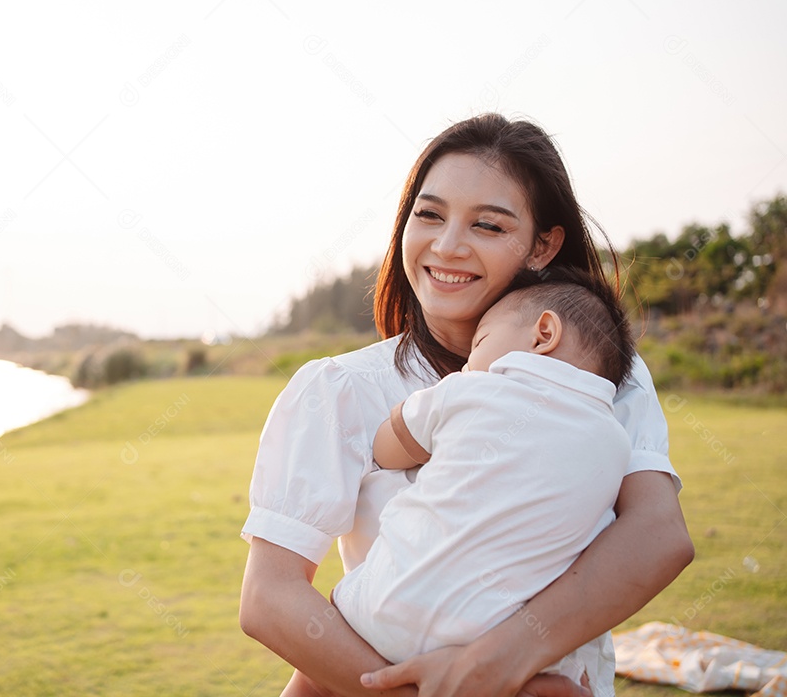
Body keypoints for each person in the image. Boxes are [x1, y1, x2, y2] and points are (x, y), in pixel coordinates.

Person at [239, 113, 694, 697]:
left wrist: (502, 660)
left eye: (488, 225)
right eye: (428, 215)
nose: (447, 246)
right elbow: (270, 597)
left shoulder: (601, 380)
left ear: (543, 245)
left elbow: (658, 534)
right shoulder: (339, 390)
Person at [332, 267, 637, 697]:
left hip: (388, 609)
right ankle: (550, 685)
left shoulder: (471, 390)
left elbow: (388, 447)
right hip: (501, 638)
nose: (470, 360)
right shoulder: (616, 444)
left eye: (480, 342)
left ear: (543, 333)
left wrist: (411, 418)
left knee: (317, 653)